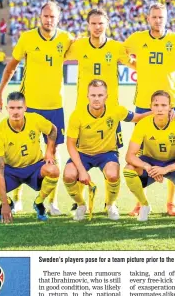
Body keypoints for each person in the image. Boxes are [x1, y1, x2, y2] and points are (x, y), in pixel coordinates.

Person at [0, 1, 73, 215]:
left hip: (55, 105)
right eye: (45, 16)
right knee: (22, 153)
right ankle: (17, 200)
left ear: (59, 18)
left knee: (53, 151)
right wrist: (0, 93)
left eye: (52, 17)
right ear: (40, 17)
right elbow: (11, 67)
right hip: (29, 105)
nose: (49, 20)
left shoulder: (66, 39)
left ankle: (50, 202)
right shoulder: (27, 38)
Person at [64, 8, 133, 214]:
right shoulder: (79, 45)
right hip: (83, 112)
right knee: (78, 156)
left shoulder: (116, 47)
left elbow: (136, 64)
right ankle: (80, 201)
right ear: (88, 25)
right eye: (93, 23)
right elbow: (59, 52)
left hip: (110, 113)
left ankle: (110, 203)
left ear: (107, 24)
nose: (97, 27)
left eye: (100, 23)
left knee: (111, 161)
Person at [124, 2, 175, 217]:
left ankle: (171, 203)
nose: (158, 20)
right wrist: (136, 65)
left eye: (161, 17)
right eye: (154, 17)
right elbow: (122, 52)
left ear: (166, 18)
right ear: (148, 18)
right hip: (144, 103)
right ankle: (140, 203)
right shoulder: (136, 39)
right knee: (141, 152)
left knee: (174, 152)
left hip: (171, 104)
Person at [63, 80, 150, 221]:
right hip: (83, 154)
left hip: (107, 154)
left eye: (100, 95)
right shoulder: (77, 115)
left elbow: (138, 118)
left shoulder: (116, 110)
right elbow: (70, 144)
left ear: (106, 96)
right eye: (93, 95)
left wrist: (161, 111)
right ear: (87, 96)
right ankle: (81, 205)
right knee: (68, 175)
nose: (96, 98)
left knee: (112, 175)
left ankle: (110, 205)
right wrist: (82, 170)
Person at [0, 92, 59, 223]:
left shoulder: (35, 119)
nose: (16, 112)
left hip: (35, 167)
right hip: (11, 171)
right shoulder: (0, 132)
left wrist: (49, 152)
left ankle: (38, 203)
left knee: (53, 170)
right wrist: (4, 203)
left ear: (25, 108)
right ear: (7, 109)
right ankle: (9, 203)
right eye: (12, 108)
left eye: (19, 108)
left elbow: (53, 130)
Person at [123, 90, 175, 222]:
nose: (160, 109)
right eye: (156, 105)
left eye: (164, 105)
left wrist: (166, 169)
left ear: (170, 107)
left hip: (173, 163)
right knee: (129, 169)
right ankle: (144, 205)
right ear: (151, 107)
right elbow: (130, 156)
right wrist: (147, 166)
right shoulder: (143, 124)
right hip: (150, 162)